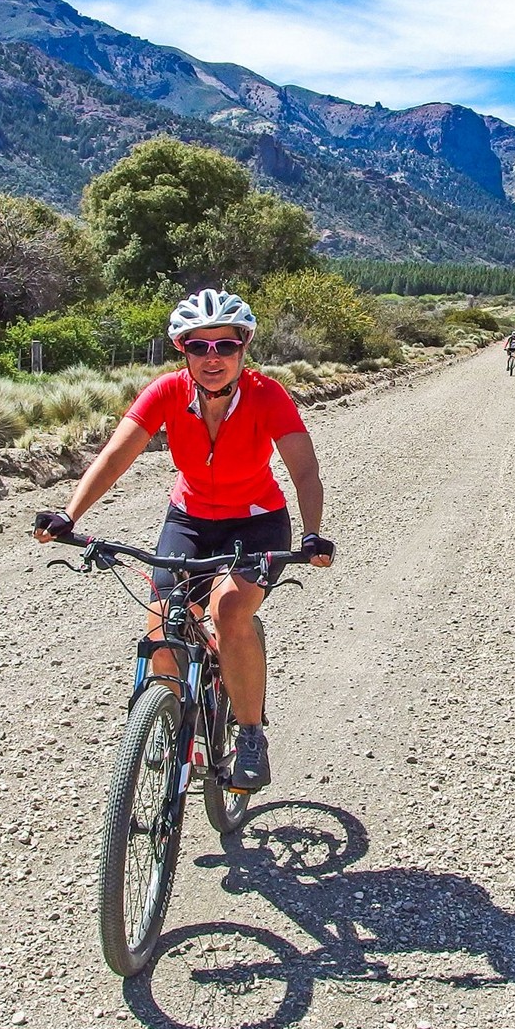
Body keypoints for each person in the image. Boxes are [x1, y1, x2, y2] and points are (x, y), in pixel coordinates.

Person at [33, 289, 334, 791]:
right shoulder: (166, 393)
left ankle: (252, 734)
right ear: (183, 350)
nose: (212, 358)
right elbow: (114, 457)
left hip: (257, 522)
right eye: (199, 346)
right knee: (163, 632)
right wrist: (69, 514)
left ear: (244, 347)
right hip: (190, 518)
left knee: (229, 610)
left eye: (225, 346)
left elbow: (304, 471)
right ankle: (169, 718)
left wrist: (311, 533)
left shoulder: (267, 394)